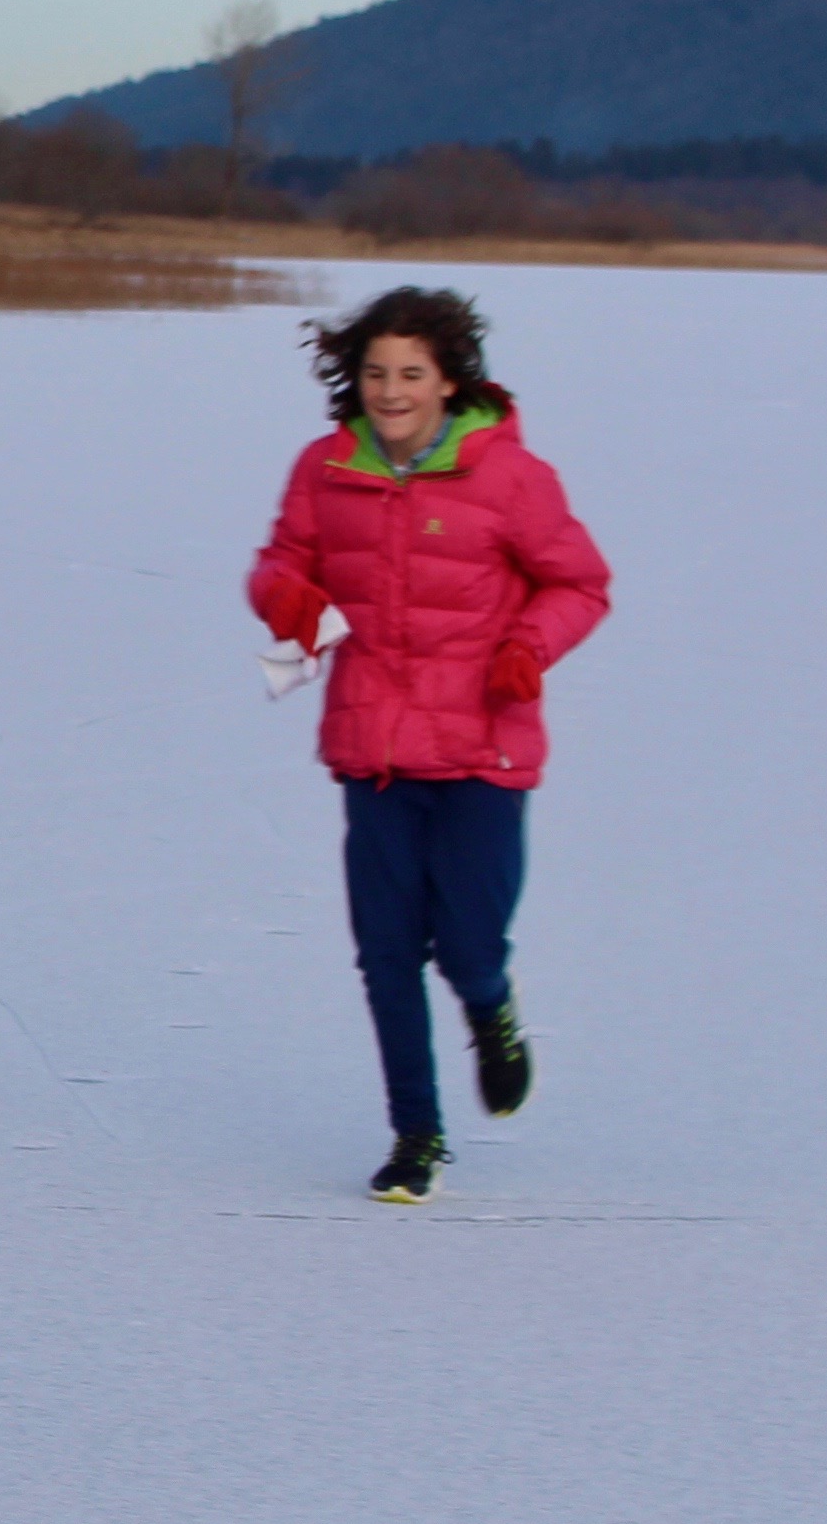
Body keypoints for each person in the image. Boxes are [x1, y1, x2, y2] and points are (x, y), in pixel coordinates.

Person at [247, 286, 612, 1204]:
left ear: (451, 381)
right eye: (375, 372)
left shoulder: (512, 479)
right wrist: (286, 600)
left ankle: (492, 1009)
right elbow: (282, 562)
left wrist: (528, 648)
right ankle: (417, 1135)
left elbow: (581, 584)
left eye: (411, 373)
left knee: (468, 943)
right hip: (372, 747)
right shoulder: (325, 470)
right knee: (385, 948)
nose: (391, 390)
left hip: (485, 752)